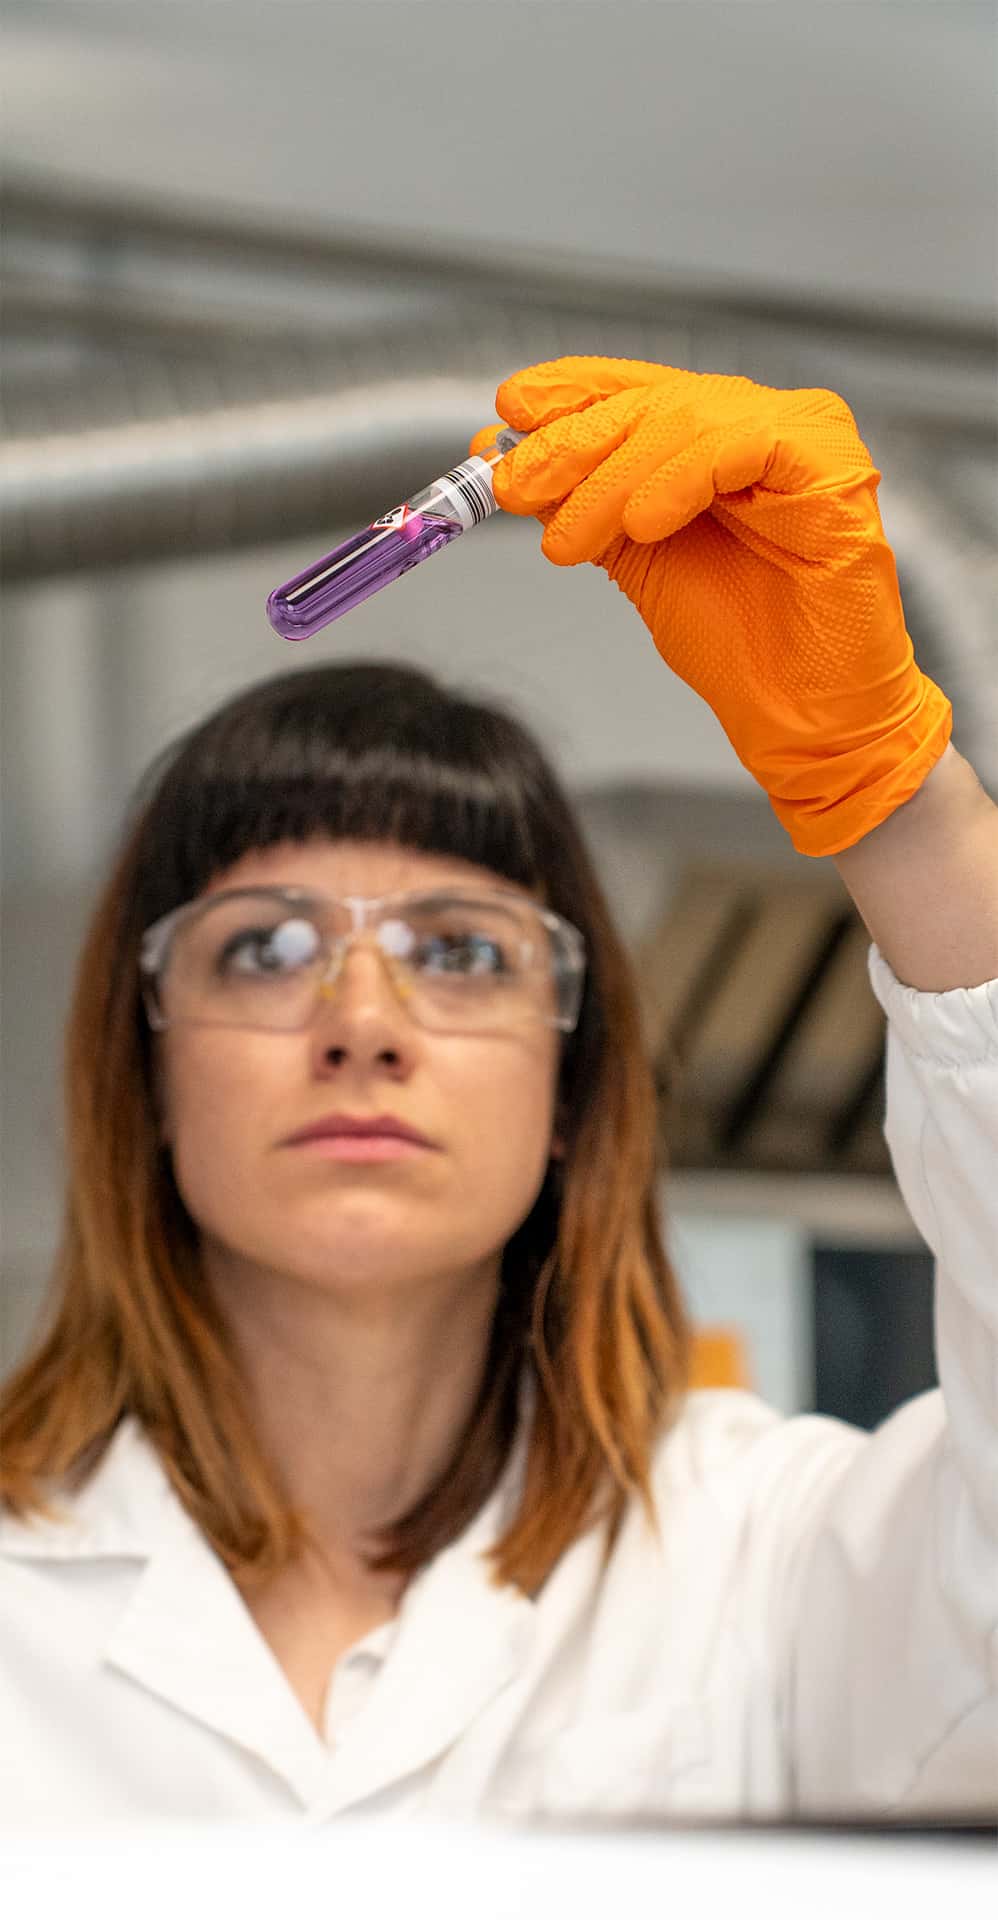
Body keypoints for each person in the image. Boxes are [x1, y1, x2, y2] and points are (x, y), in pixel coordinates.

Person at [1, 357, 996, 1827]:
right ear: (141, 1065)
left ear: (568, 1083)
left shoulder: (761, 1565)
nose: (361, 1023)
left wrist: (905, 808)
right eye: (265, 947)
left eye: (459, 953)